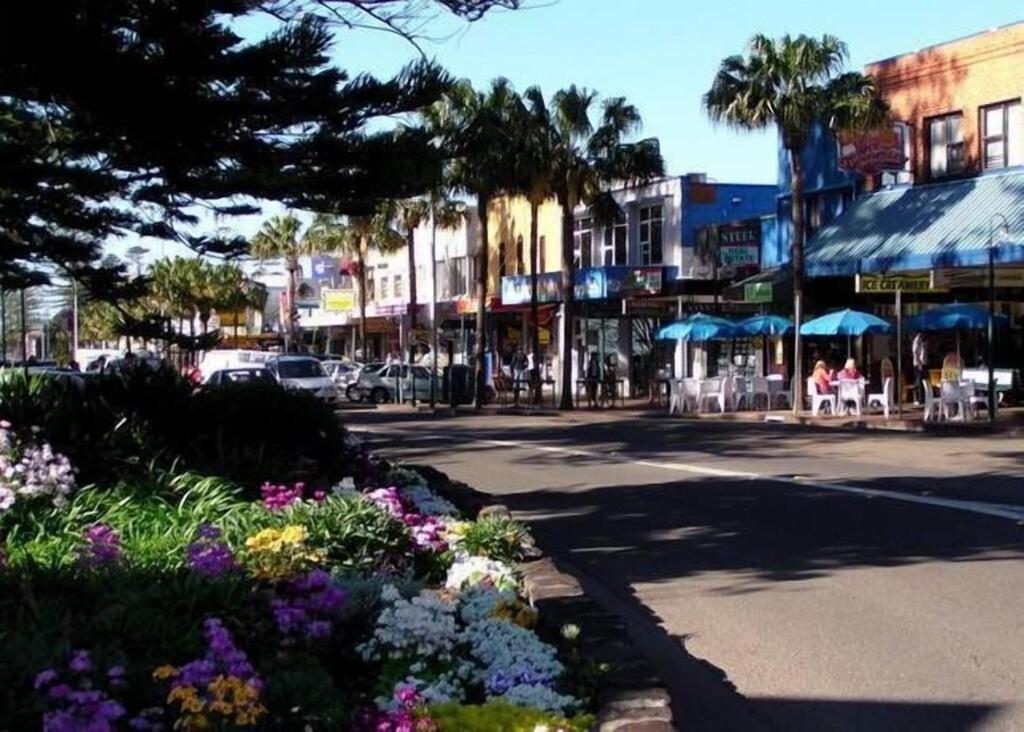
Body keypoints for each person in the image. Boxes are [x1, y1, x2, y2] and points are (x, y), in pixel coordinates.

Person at [912, 332, 927, 405]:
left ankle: (922, 398)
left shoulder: (921, 341)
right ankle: (918, 398)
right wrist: (919, 363)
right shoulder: (917, 341)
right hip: (918, 364)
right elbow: (915, 353)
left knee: (922, 381)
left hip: (922, 363)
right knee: (919, 381)